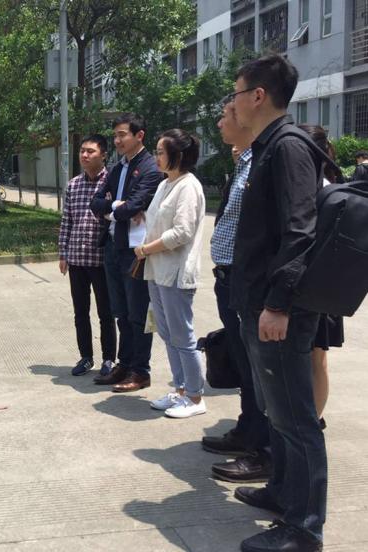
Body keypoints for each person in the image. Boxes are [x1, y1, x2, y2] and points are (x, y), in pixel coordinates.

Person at [229, 54, 326, 552]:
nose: (232, 103)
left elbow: (299, 232)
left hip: (278, 309)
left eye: (236, 93)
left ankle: (304, 528)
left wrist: (279, 304)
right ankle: (284, 494)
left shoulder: (287, 148)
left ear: (258, 96)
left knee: (296, 418)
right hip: (260, 303)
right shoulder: (269, 146)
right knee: (279, 414)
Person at [203, 102, 271, 483]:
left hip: (247, 280)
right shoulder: (244, 163)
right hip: (229, 277)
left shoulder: (264, 161)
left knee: (258, 369)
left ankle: (262, 449)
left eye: (226, 114)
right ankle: (248, 431)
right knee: (245, 363)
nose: (220, 122)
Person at [134, 129, 206, 418]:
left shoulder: (188, 186)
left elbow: (182, 232)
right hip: (157, 270)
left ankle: (195, 396)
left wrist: (146, 248)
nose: (156, 157)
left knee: (182, 336)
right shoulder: (166, 184)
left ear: (178, 155)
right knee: (167, 333)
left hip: (175, 271)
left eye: (161, 152)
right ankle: (180, 389)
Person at [89, 113, 162, 393]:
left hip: (136, 251)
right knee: (120, 311)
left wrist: (119, 208)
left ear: (139, 135)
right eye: (115, 136)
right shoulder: (117, 168)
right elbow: (96, 202)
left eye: (122, 135)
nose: (117, 141)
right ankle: (125, 363)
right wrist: (115, 208)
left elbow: (132, 207)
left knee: (138, 313)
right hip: (113, 246)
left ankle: (140, 371)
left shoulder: (150, 168)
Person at [298, 124, 345, 430]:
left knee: (316, 358)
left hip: (318, 287)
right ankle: (312, 417)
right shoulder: (325, 183)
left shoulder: (322, 188)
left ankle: (313, 419)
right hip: (323, 286)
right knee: (315, 357)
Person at [58, 134, 116, 376]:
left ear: (103, 155)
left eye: (90, 151)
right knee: (80, 312)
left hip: (102, 260)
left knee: (106, 313)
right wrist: (63, 253)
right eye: (82, 150)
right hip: (77, 259)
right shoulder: (73, 185)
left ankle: (109, 359)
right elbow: (67, 222)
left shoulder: (112, 183)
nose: (84, 155)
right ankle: (86, 357)